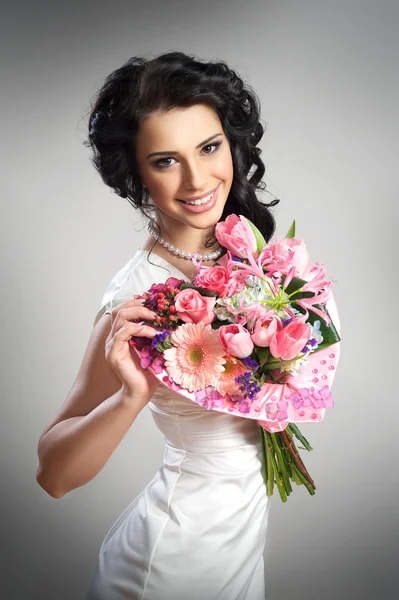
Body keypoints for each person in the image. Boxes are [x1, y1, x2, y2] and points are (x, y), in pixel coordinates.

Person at [36, 51, 280, 600]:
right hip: (170, 566)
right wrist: (132, 394)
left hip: (237, 550)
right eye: (166, 160)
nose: (198, 179)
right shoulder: (138, 298)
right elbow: (53, 475)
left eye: (209, 147)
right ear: (137, 171)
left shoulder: (247, 252)